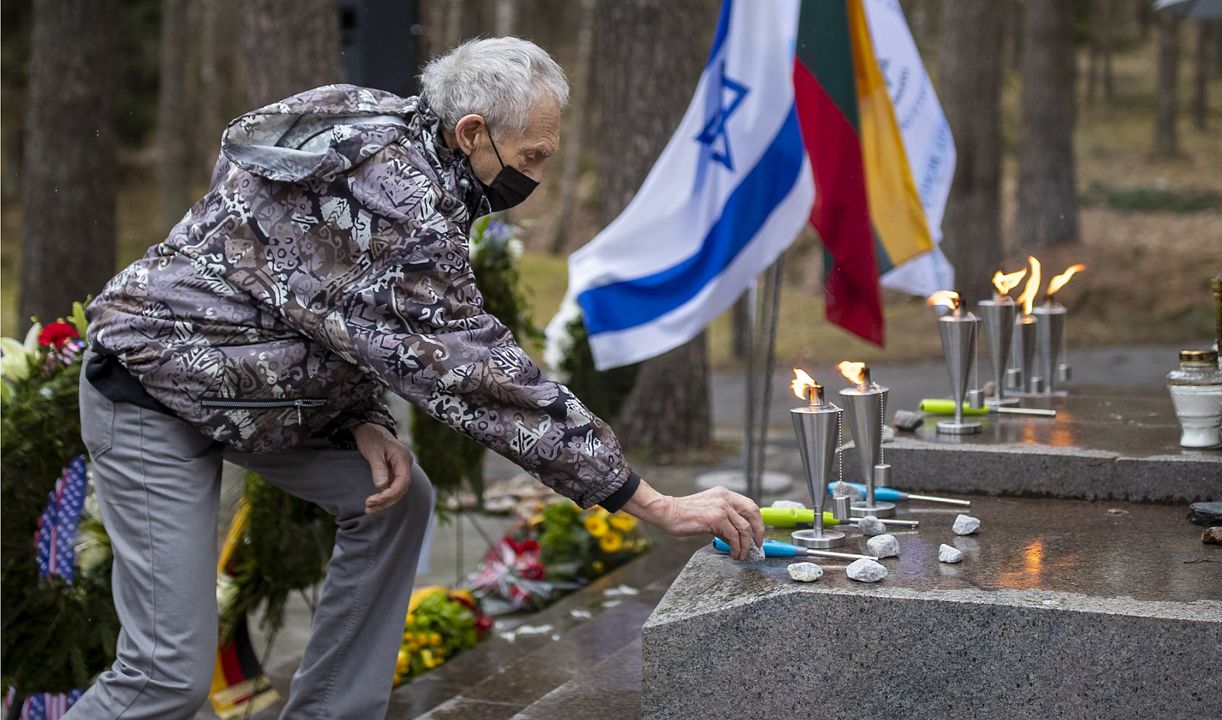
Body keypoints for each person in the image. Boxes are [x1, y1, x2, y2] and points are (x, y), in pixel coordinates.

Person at [70, 37, 764, 719]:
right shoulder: (398, 198)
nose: (538, 178)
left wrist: (360, 419)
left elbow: (324, 298)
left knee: (392, 500)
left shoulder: (385, 132)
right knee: (167, 676)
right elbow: (479, 376)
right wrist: (651, 501)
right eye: (532, 158)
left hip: (252, 387)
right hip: (153, 389)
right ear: (471, 132)